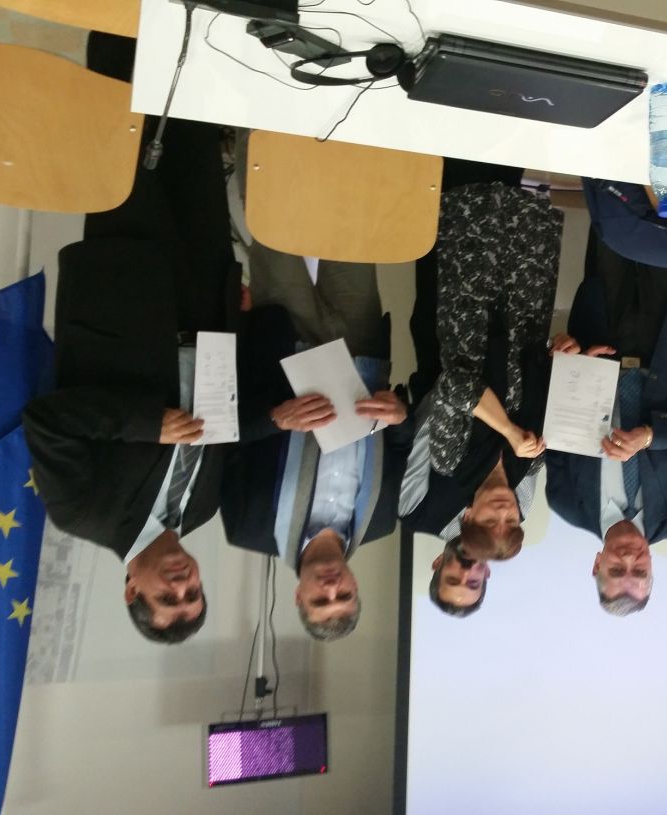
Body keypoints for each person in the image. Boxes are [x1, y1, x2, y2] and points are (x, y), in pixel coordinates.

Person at [21, 33, 239, 644]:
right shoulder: (203, 509)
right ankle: (191, 25)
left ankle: (121, 15)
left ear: (131, 589)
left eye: (168, 598)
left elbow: (48, 422)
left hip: (126, 289)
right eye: (194, 593)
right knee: (194, 130)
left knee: (122, 117)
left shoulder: (80, 512)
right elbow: (222, 420)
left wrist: (147, 424)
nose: (182, 584)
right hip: (205, 298)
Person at [220, 240, 408, 642]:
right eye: (344, 596)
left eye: (320, 600)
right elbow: (399, 445)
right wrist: (399, 415)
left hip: (283, 345)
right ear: (355, 586)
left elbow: (222, 443)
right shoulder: (381, 521)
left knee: (276, 228)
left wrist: (275, 419)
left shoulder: (248, 527)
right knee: (348, 225)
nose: (331, 587)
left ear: (298, 597)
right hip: (362, 351)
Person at [400, 160, 562, 615]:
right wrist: (559, 356)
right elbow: (540, 392)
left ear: (469, 516)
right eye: (510, 519)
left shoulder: (451, 465)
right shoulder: (528, 467)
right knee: (521, 179)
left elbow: (453, 385)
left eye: (492, 519)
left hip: (471, 307)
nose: (505, 511)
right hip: (525, 317)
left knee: (469, 181)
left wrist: (508, 431)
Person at [545, 236, 667, 616]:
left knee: (613, 229)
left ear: (597, 564)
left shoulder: (566, 503)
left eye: (616, 569)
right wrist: (651, 437)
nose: (629, 558)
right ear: (652, 568)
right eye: (640, 570)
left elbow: (556, 419)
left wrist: (570, 363)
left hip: (599, 336)